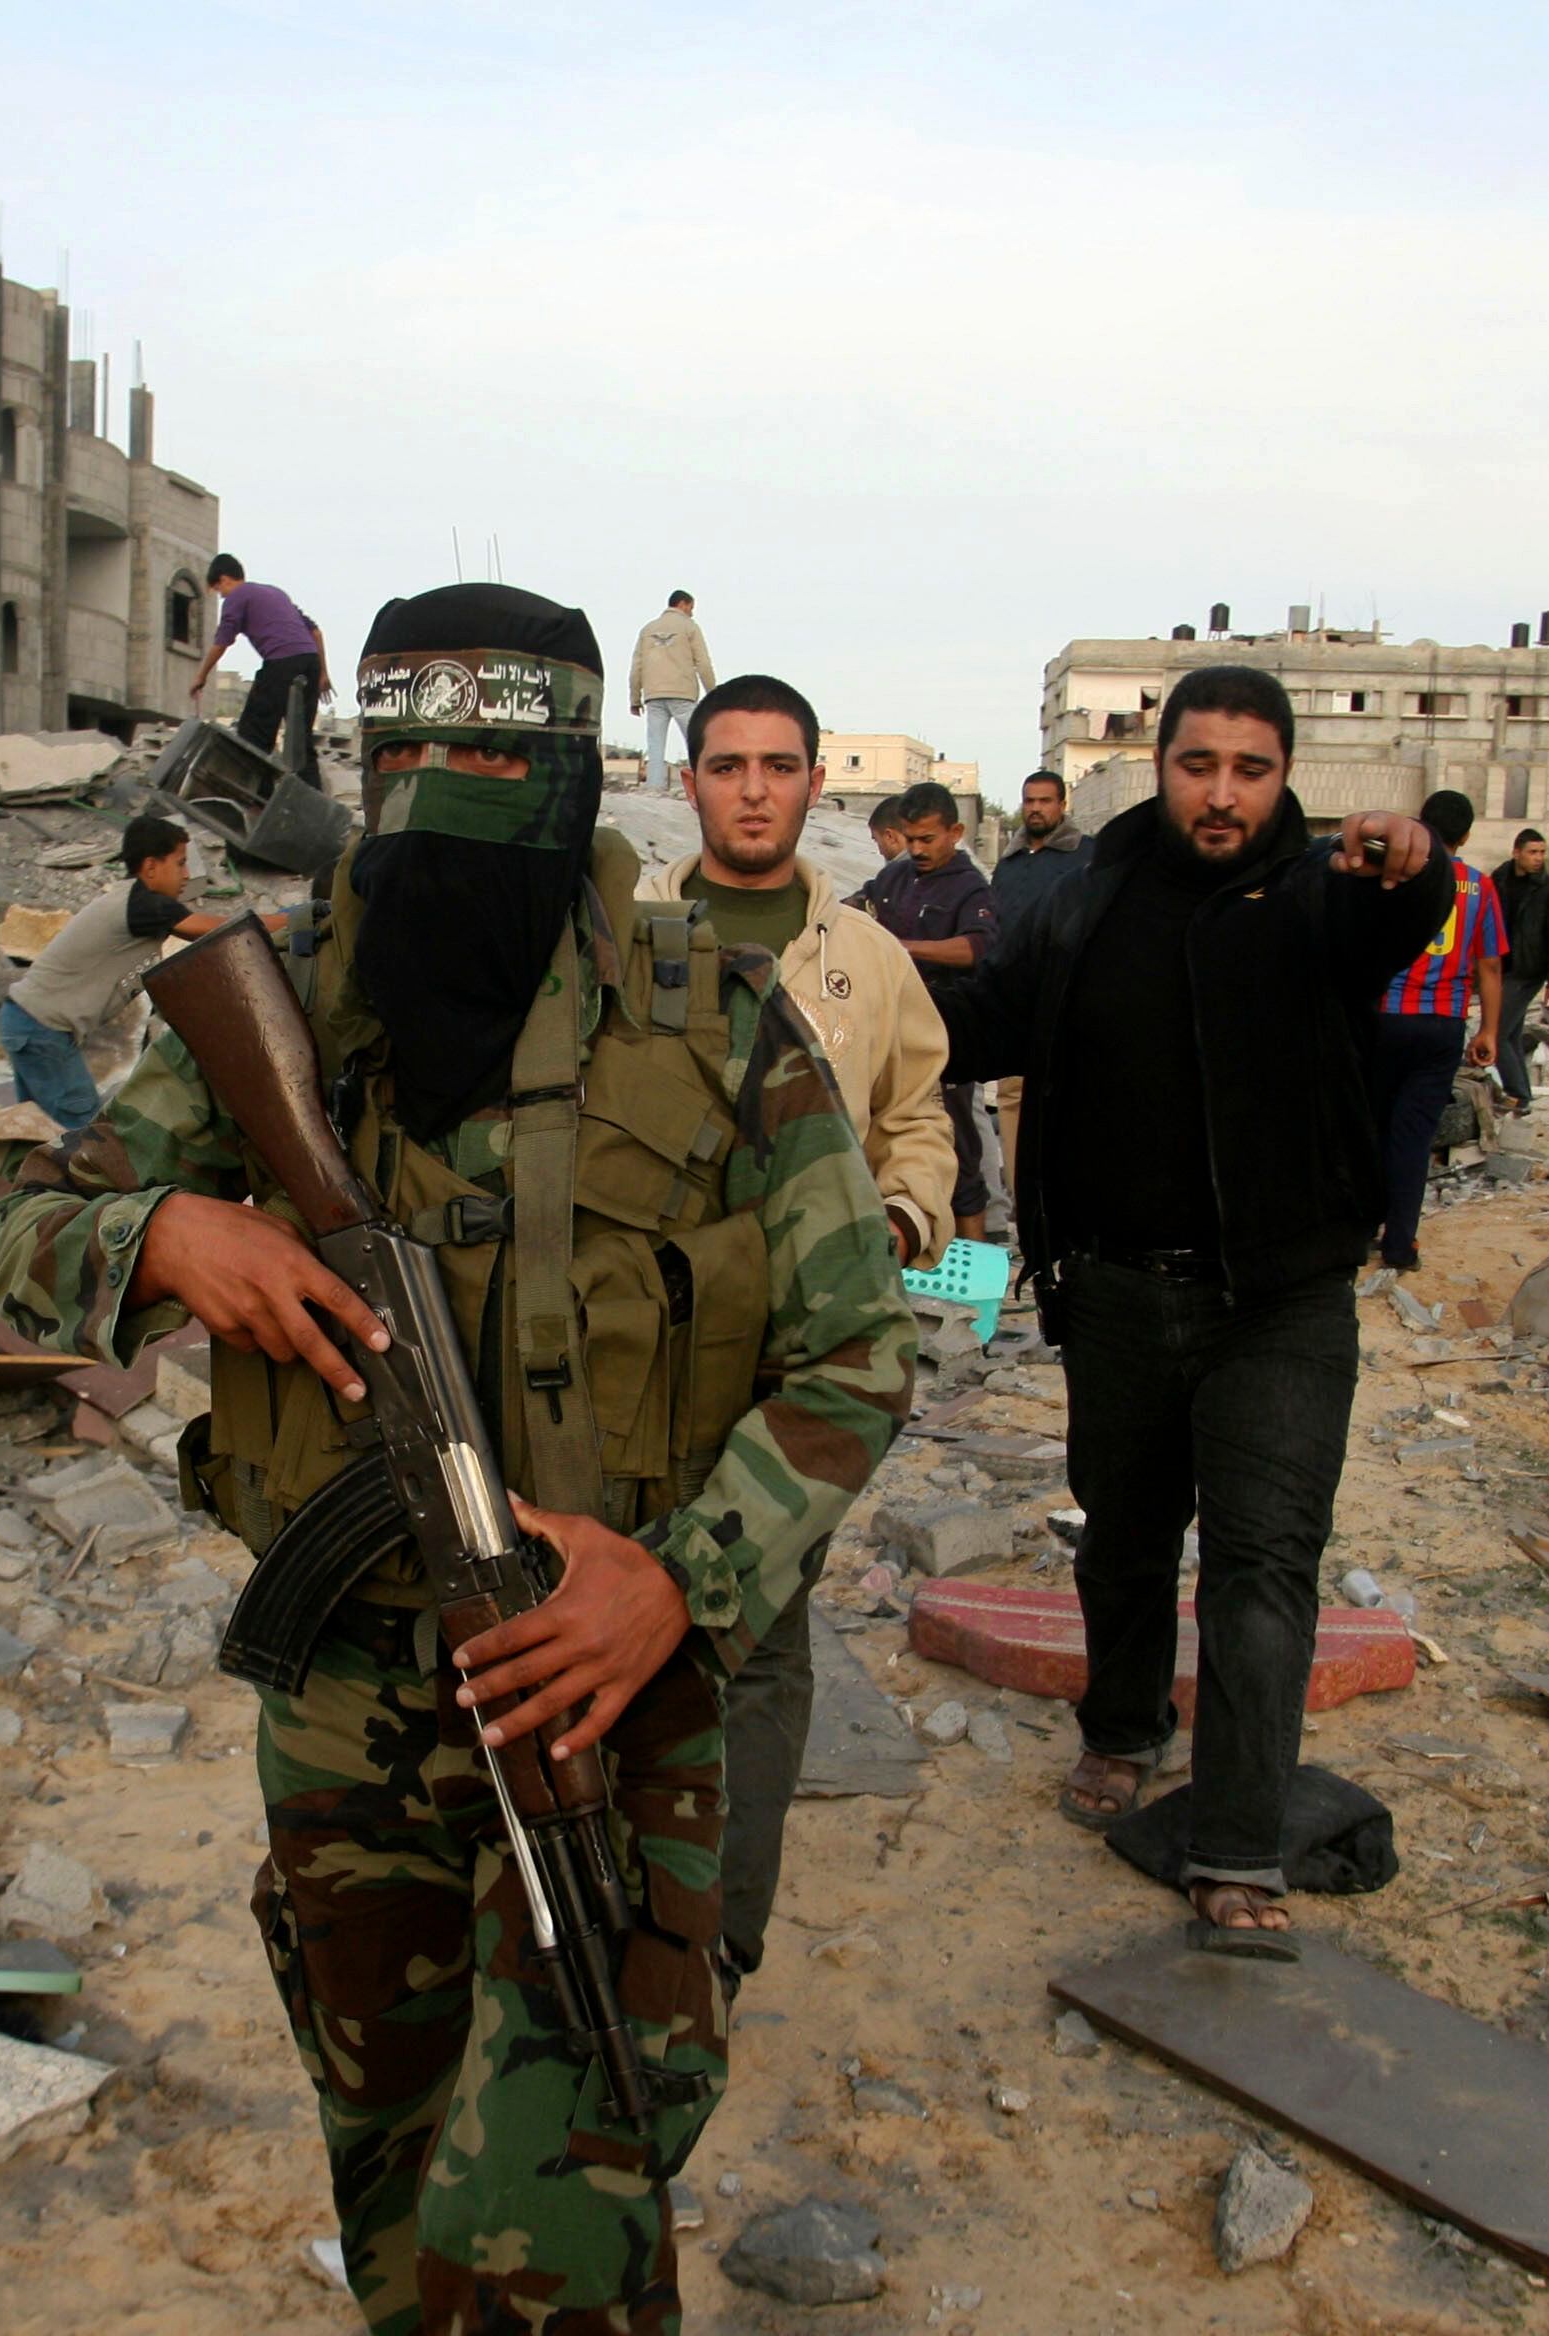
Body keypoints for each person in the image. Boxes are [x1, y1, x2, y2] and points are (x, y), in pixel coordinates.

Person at [0, 583, 912, 2332]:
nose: (436, 792)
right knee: (391, 2156)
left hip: (600, 1693)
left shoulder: (710, 1024)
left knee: (549, 2213)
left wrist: (678, 1578)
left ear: (564, 772)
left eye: (486, 753)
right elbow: (26, 1221)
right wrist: (170, 1232)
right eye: (398, 750)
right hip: (343, 1698)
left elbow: (858, 1349)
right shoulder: (298, 999)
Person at [944, 665, 1449, 1950]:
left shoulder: (1327, 900)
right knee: (1121, 1538)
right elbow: (978, 1025)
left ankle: (1235, 1845)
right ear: (1161, 766)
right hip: (1114, 1290)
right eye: (1198, 765)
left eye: (1251, 769)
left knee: (1263, 1565)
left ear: (1286, 779)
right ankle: (1121, 1726)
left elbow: (1403, 911)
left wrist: (1418, 861)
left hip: (1280, 1301)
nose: (1222, 794)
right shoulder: (1082, 902)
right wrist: (846, 990)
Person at [635, 670, 953, 1985]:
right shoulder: (614, 932)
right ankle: (612, 1918)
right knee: (621, 1614)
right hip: (635, 1353)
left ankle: (720, 1939)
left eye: (779, 766)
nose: (754, 788)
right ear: (690, 780)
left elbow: (924, 1115)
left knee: (756, 1646)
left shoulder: (867, 961)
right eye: (729, 764)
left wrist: (895, 1221)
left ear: (816, 785)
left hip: (798, 1364)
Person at [0, 814, 275, 1133]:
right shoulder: (143, 904)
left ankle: (28, 1180)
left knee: (40, 1131)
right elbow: (221, 930)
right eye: (180, 863)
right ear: (151, 867)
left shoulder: (136, 907)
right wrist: (296, 920)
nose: (187, 875)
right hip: (41, 1030)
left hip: (28, 1023)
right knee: (88, 1136)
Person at [1364, 791, 1503, 1273]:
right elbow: (1489, 966)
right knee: (1414, 1138)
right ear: (1465, 836)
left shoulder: (1394, 874)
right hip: (1442, 1026)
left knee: (1372, 1126)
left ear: (1421, 824)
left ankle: (1361, 1230)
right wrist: (1488, 1030)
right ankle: (1401, 1245)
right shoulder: (1480, 888)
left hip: (1384, 1018)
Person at [859, 780, 1001, 1241]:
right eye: (910, 838)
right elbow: (856, 910)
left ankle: (973, 1252)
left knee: (957, 1142)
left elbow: (977, 948)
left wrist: (904, 949)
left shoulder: (969, 887)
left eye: (928, 839)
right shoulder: (893, 877)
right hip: (890, 1027)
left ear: (954, 832)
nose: (917, 849)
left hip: (946, 1029)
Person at [985, 771, 1087, 1232]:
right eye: (1029, 801)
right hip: (1019, 997)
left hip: (1070, 995)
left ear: (1062, 804)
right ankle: (1024, 1202)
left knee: (1069, 1095)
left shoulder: (1087, 857)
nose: (1036, 809)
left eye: (1045, 801)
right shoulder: (1009, 863)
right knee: (1012, 1097)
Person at [184, 554, 328, 781]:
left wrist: (201, 676)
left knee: (253, 735)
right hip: (310, 661)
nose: (222, 596)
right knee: (301, 739)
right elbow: (316, 632)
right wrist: (323, 673)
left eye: (219, 591)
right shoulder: (276, 593)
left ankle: (257, 797)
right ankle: (312, 801)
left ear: (223, 579)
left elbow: (222, 641)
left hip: (282, 662)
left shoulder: (237, 597)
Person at [1491, 827, 1549, 1113]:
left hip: (1529, 970)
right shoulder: (1498, 879)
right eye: (1532, 852)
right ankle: (1522, 1095)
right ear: (1516, 853)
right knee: (1510, 1033)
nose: (1538, 858)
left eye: (1542, 852)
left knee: (1496, 1033)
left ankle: (1517, 1095)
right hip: (1501, 967)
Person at [628, 590, 715, 794]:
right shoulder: (689, 627)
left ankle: (654, 787)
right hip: (682, 694)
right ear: (683, 604)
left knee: (655, 743)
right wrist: (712, 693)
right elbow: (703, 663)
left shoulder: (647, 629)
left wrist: (634, 699)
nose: (692, 613)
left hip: (653, 695)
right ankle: (702, 787)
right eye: (691, 608)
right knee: (696, 741)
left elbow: (636, 667)